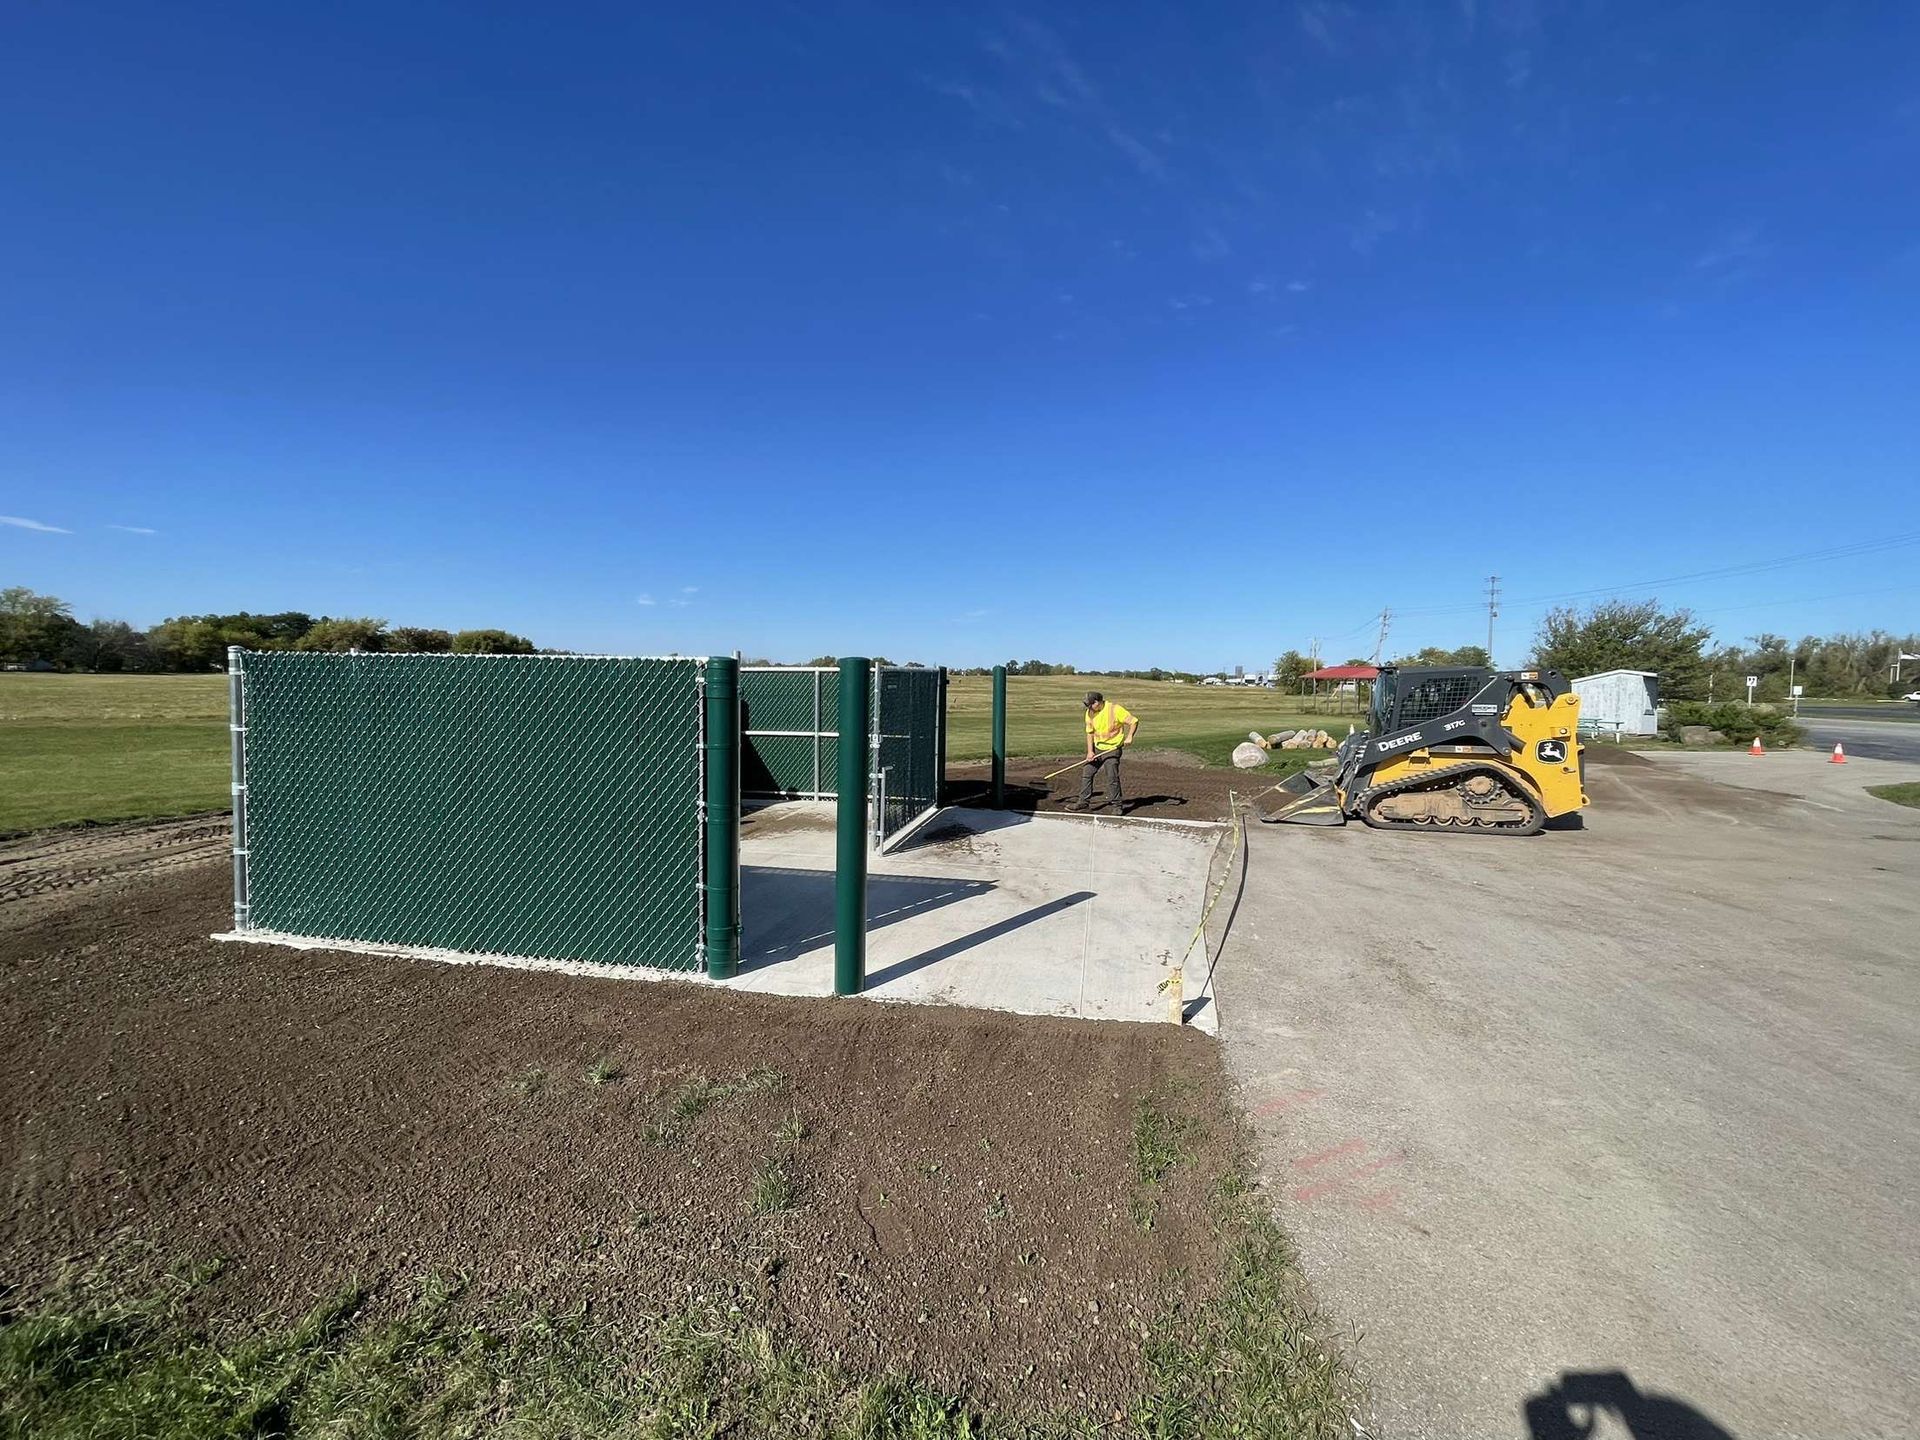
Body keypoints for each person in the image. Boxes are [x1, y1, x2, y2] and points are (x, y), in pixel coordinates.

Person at [1070, 690, 1139, 812]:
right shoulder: (1089, 713)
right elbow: (1090, 733)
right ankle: (1083, 802)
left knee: (1112, 776)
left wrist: (1129, 737)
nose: (1088, 707)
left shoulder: (1114, 709)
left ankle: (1117, 806)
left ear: (1097, 702)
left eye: (1090, 704)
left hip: (1113, 749)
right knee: (1087, 772)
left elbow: (1134, 721)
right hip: (1098, 749)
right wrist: (1090, 751)